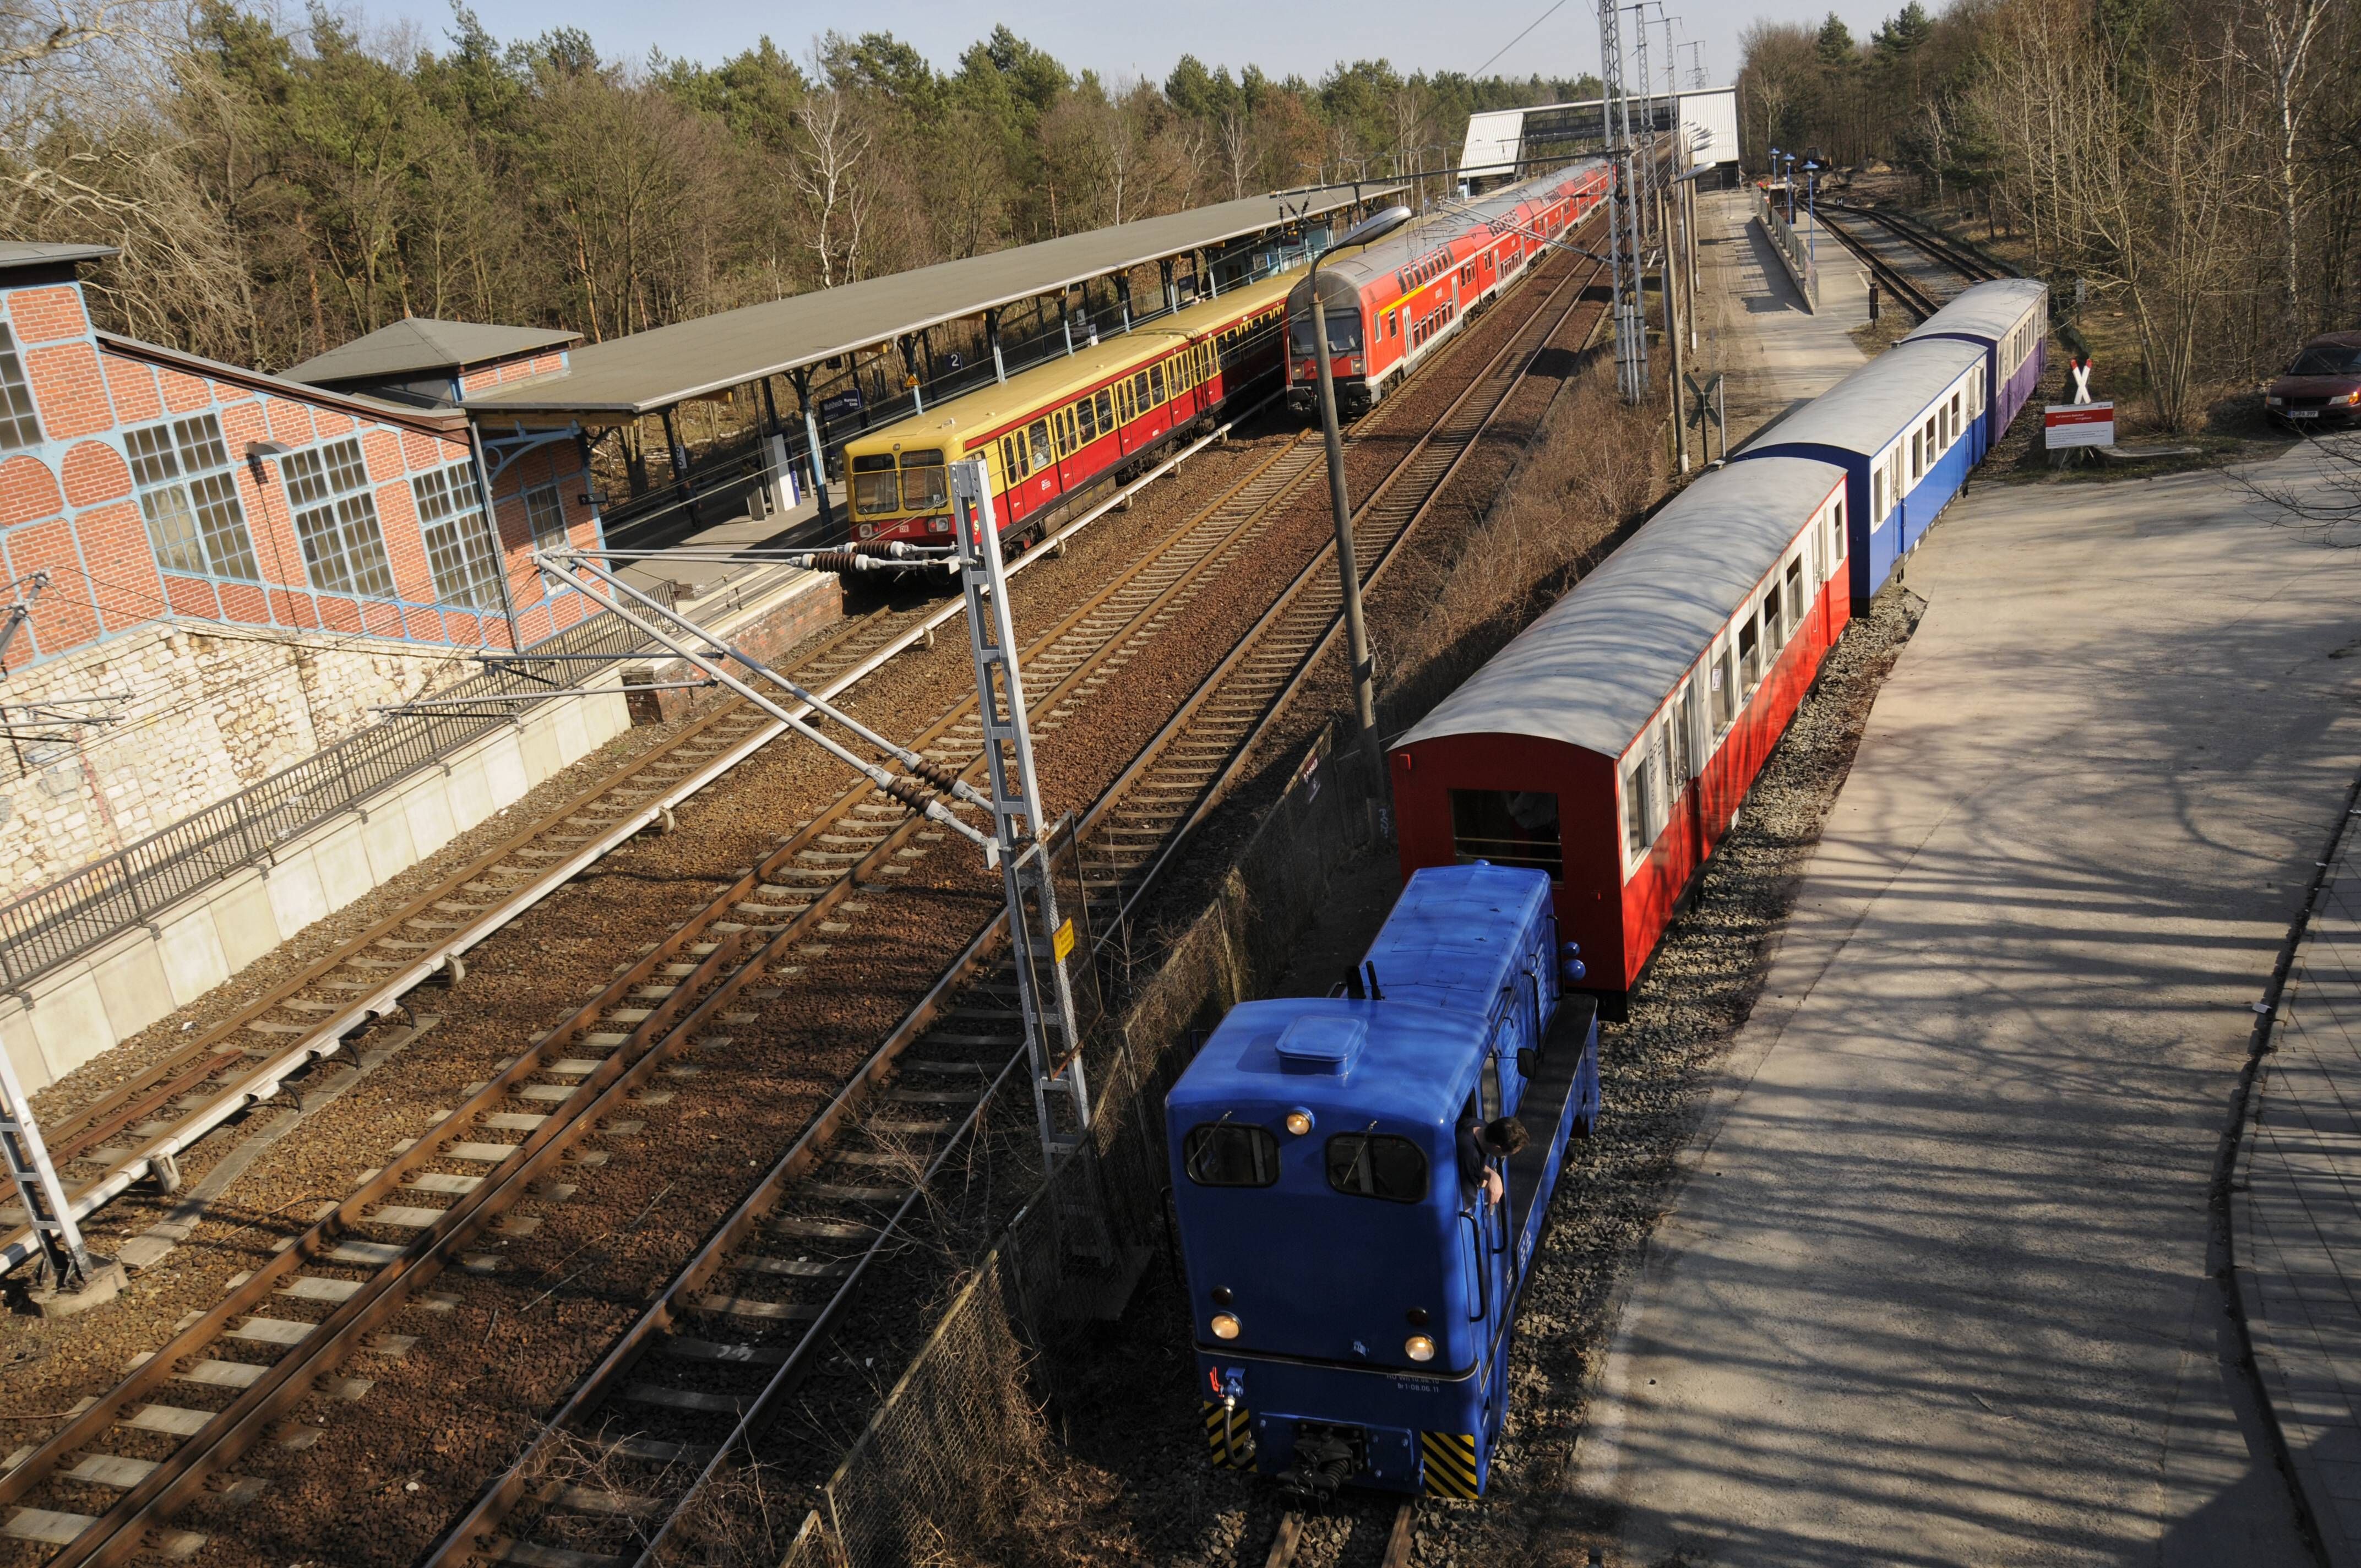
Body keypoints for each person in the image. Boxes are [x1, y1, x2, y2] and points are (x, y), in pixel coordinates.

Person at [1456, 1113, 1528, 1208]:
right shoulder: (1470, 1157)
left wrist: (1492, 1175)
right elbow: (1467, 1206)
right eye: (1505, 1154)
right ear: (1497, 1148)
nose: (1503, 1156)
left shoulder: (1480, 1125)